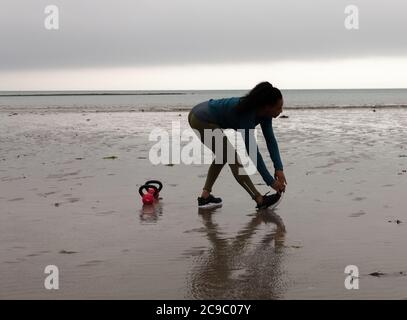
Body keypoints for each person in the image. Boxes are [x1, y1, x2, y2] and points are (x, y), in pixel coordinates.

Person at [188, 81, 287, 209]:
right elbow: (252, 152)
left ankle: (205, 197)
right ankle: (260, 199)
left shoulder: (265, 115)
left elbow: (270, 140)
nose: (281, 110)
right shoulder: (247, 114)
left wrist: (279, 168)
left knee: (223, 156)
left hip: (201, 113)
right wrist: (270, 181)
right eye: (278, 107)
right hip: (201, 119)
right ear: (267, 106)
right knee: (232, 157)